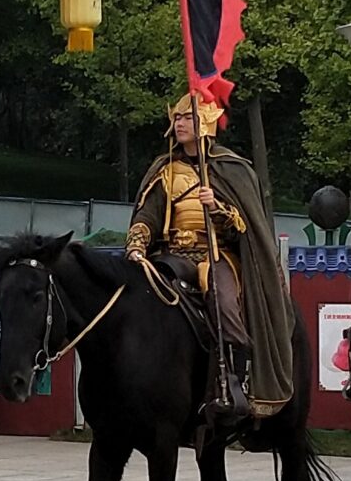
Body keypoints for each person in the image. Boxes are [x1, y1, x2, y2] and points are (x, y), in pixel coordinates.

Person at [127, 89, 296, 425]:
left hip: (216, 254)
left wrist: (217, 208)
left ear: (205, 121)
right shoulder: (165, 170)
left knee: (222, 297)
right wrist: (136, 244)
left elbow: (245, 228)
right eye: (176, 117)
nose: (180, 123)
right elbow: (147, 214)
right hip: (173, 254)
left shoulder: (232, 169)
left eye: (187, 117)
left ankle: (233, 379)